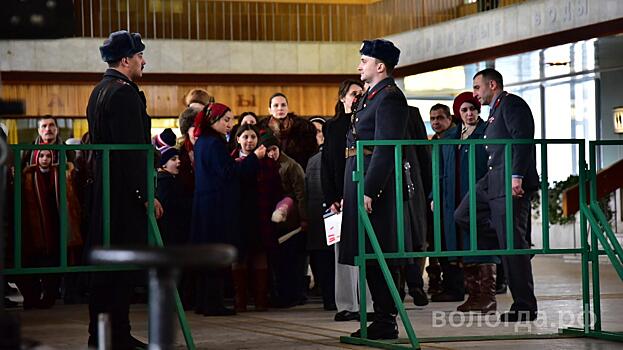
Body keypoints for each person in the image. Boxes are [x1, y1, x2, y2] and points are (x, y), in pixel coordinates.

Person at [86, 30, 162, 349]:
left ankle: (101, 335)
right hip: (122, 196)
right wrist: (146, 195)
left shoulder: (99, 91)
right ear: (127, 59)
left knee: (105, 267)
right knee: (121, 266)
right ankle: (117, 336)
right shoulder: (126, 94)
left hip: (102, 191)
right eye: (140, 55)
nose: (144, 60)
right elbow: (132, 153)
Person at [455, 68, 539, 322]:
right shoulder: (495, 110)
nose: (475, 93)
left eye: (477, 88)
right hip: (492, 182)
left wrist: (517, 176)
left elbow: (522, 139)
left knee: (512, 247)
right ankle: (512, 242)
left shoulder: (512, 104)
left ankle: (524, 306)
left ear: (492, 85)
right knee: (463, 215)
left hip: (509, 182)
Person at [342, 39, 409, 340]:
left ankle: (386, 319)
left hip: (373, 182)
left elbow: (385, 148)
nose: (359, 66)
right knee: (365, 251)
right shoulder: (370, 97)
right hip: (358, 176)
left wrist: (370, 189)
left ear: (380, 66)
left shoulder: (390, 98)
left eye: (364, 61)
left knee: (378, 250)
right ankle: (380, 318)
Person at [190, 103, 265, 316]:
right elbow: (229, 172)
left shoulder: (202, 141)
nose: (230, 125)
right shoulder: (214, 143)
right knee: (215, 256)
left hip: (205, 204)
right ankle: (213, 303)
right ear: (213, 121)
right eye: (226, 120)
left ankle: (204, 302)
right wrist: (253, 159)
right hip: (216, 206)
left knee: (206, 256)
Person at [437, 92, 499, 313]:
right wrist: (434, 196)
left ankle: (488, 297)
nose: (469, 113)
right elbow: (440, 172)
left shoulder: (487, 133)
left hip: (478, 198)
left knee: (480, 244)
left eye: (472, 109)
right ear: (458, 113)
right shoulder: (450, 137)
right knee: (463, 247)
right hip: (453, 198)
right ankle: (473, 296)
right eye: (464, 110)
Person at [321, 79, 374, 322]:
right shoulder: (332, 127)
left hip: (364, 193)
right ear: (342, 97)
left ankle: (371, 303)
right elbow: (327, 165)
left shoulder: (367, 122)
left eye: (361, 93)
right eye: (353, 94)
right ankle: (347, 304)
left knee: (368, 249)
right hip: (340, 198)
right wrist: (332, 197)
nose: (357, 97)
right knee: (342, 253)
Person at [16, 150, 82, 310]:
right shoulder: (27, 176)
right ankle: (32, 297)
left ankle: (49, 296)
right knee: (32, 263)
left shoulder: (61, 175)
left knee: (52, 264)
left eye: (48, 156)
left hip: (55, 228)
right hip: (34, 230)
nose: (45, 159)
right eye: (42, 156)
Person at [230, 124, 282, 312]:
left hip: (261, 213)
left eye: (252, 137)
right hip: (239, 215)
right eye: (245, 137)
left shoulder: (267, 163)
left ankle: (261, 298)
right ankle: (240, 299)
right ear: (238, 139)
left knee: (261, 254)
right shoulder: (232, 161)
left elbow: (276, 188)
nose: (249, 141)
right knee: (239, 256)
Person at [303, 117, 336, 311]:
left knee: (326, 259)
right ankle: (330, 297)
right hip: (323, 215)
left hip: (323, 214)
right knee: (327, 259)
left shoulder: (315, 159)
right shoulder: (314, 159)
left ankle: (329, 297)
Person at [426, 103, 455, 297]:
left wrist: (434, 196)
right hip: (438, 198)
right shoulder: (435, 141)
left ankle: (454, 286)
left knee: (449, 243)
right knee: (440, 243)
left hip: (448, 198)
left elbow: (443, 174)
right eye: (433, 118)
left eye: (439, 118)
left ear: (449, 119)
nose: (435, 122)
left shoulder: (451, 140)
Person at [257, 93, 317, 169]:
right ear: (270, 110)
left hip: (297, 171)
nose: (280, 108)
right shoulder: (260, 129)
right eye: (276, 105)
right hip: (268, 171)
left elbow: (311, 153)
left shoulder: (304, 128)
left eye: (283, 105)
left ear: (287, 108)